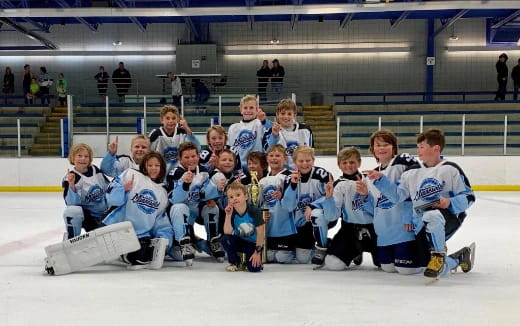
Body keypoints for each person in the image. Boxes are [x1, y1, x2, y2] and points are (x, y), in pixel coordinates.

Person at [365, 128, 476, 281]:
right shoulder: (412, 172)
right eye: (418, 147)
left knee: (432, 215)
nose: (418, 151)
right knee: (432, 269)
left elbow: (469, 196)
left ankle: (438, 254)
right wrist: (380, 180)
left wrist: (450, 202)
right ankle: (459, 257)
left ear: (435, 148)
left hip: (448, 218)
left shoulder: (450, 169)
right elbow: (399, 196)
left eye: (421, 147)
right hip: (420, 225)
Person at [363, 130, 423, 275]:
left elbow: (412, 190)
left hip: (404, 229)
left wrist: (409, 216)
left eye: (386, 144)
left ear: (394, 147)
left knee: (405, 269)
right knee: (387, 268)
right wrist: (364, 196)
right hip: (385, 232)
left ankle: (439, 255)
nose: (382, 148)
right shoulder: (370, 175)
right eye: (378, 145)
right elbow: (375, 207)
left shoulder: (403, 161)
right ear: (373, 149)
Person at [103, 151, 173, 269]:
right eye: (150, 165)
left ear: (162, 168)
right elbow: (110, 198)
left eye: (157, 165)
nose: (153, 168)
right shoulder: (131, 174)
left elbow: (160, 221)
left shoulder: (162, 192)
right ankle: (123, 252)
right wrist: (123, 189)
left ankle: (124, 255)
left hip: (140, 235)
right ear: (144, 166)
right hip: (117, 227)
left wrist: (165, 240)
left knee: (144, 253)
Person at [318, 147, 378, 271]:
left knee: (387, 265)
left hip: (375, 229)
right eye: (344, 163)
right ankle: (355, 251)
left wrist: (365, 195)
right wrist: (328, 198)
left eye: (352, 162)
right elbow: (332, 216)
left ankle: (370, 252)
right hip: (350, 229)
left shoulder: (370, 179)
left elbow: (377, 209)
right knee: (333, 264)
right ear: (339, 165)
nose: (348, 165)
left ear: (359, 163)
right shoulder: (339, 185)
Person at [167, 142, 224, 264]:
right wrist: (185, 184)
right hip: (179, 215)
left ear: (198, 156)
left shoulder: (203, 171)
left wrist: (216, 191)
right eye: (186, 157)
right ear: (179, 158)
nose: (190, 160)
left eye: (193, 156)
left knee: (213, 207)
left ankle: (212, 240)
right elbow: (174, 200)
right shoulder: (175, 173)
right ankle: (184, 243)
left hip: (196, 210)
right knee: (179, 207)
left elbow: (208, 192)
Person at [281, 145, 334, 264]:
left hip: (323, 216)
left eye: (308, 160)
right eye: (301, 161)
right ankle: (329, 244)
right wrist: (293, 186)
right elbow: (288, 207)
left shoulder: (322, 175)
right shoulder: (289, 178)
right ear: (294, 162)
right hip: (302, 222)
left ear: (313, 160)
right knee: (303, 258)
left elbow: (330, 197)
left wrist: (313, 206)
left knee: (316, 214)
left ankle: (322, 247)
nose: (304, 164)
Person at [62, 143, 110, 239]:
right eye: (79, 156)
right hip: (89, 217)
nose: (83, 158)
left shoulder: (95, 170)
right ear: (72, 158)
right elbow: (71, 203)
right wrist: (72, 185)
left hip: (105, 214)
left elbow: (108, 188)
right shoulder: (70, 177)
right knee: (72, 211)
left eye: (86, 156)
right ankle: (72, 240)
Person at [258, 144, 296, 264]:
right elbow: (260, 201)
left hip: (285, 226)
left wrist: (283, 195)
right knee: (268, 256)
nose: (274, 158)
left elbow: (293, 199)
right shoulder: (262, 180)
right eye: (271, 155)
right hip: (269, 227)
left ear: (285, 159)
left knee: (281, 257)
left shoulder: (289, 177)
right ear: (267, 158)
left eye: (278, 155)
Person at [221, 182, 265, 272]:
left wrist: (257, 252)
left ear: (246, 196)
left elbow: (261, 232)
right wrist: (228, 216)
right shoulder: (232, 212)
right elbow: (227, 232)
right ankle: (235, 262)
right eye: (231, 197)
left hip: (253, 244)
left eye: (238, 195)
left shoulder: (253, 211)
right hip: (240, 241)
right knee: (225, 239)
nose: (235, 199)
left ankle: (249, 262)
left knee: (254, 269)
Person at [148, 105, 200, 175]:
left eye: (173, 118)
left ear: (178, 120)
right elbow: (148, 154)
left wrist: (186, 128)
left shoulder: (182, 132)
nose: (171, 121)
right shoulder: (155, 134)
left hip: (180, 173)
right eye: (167, 118)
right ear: (161, 120)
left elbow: (197, 147)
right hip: (160, 173)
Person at [263, 98, 313, 170]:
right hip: (280, 173)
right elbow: (267, 152)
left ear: (294, 115)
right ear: (277, 114)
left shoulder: (306, 130)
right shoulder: (270, 131)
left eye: (289, 114)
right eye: (283, 113)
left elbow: (311, 153)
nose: (286, 116)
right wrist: (274, 136)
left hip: (302, 171)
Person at [227, 94, 272, 173]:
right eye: (245, 108)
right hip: (239, 168)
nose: (248, 110)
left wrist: (263, 120)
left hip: (258, 167)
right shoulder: (233, 128)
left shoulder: (259, 123)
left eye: (251, 108)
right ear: (241, 110)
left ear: (257, 109)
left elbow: (273, 131)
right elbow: (230, 149)